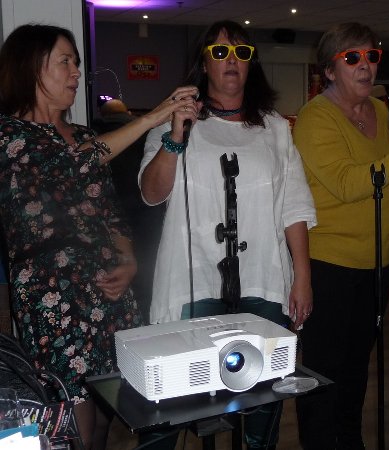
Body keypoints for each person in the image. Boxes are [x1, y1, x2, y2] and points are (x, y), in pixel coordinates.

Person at [0, 24, 197, 450]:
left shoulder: (86, 135)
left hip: (108, 297)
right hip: (53, 298)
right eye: (65, 62)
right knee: (73, 422)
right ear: (31, 67)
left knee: (107, 411)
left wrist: (128, 260)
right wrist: (152, 117)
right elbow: (70, 162)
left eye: (76, 62)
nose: (76, 72)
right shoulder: (8, 136)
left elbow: (108, 212)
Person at [139, 20, 316, 450]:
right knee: (176, 400)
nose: (231, 61)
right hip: (193, 280)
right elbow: (151, 192)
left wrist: (302, 277)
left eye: (241, 52)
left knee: (262, 397)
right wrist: (176, 136)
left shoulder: (275, 128)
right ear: (204, 63)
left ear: (252, 63)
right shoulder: (174, 120)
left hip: (261, 279)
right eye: (220, 52)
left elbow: (293, 205)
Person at [292, 22, 389, 449]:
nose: (365, 65)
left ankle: (350, 441)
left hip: (376, 263)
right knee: (322, 374)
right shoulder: (315, 118)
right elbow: (347, 183)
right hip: (330, 264)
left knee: (357, 369)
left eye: (371, 56)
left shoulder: (379, 110)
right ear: (329, 70)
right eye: (351, 57)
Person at [91, 99, 165, 323]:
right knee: (147, 280)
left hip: (111, 216)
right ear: (127, 112)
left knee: (116, 284)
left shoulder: (95, 136)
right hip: (145, 213)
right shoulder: (144, 133)